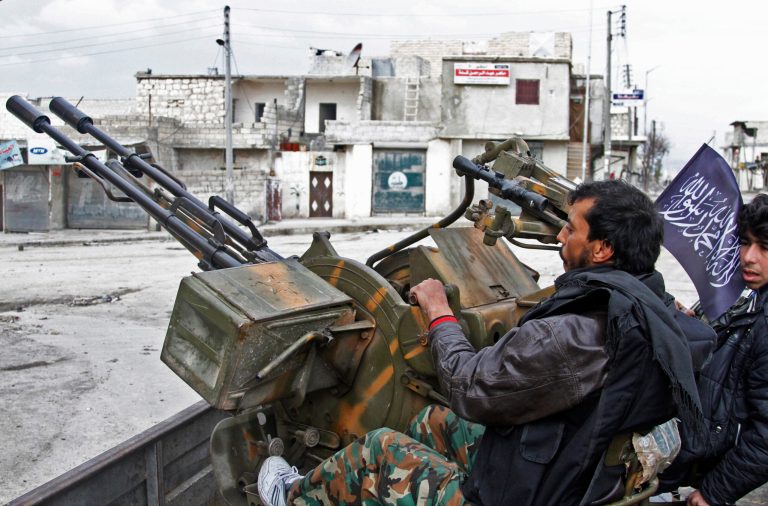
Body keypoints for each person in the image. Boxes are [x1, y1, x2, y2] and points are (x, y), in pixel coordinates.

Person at [257, 180, 702, 506]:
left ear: (602, 250)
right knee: (432, 421)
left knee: (378, 451)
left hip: (541, 491)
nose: (560, 237)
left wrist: (439, 314)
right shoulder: (656, 311)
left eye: (571, 230)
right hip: (582, 471)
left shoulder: (576, 332)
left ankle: (291, 498)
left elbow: (469, 387)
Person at [674, 194, 768, 506]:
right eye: (745, 242)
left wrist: (714, 492)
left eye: (764, 248)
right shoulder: (747, 295)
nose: (749, 257)